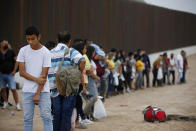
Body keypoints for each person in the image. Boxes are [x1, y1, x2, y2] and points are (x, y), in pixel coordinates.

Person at [17, 26, 53, 131]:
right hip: (27, 90)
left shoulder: (46, 52)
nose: (30, 41)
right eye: (28, 39)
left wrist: (38, 93)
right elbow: (22, 72)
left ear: (39, 37)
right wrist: (36, 79)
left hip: (43, 91)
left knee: (47, 118)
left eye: (33, 38)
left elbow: (44, 75)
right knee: (27, 119)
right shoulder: (23, 51)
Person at [48, 31, 85, 131]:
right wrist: (79, 72)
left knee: (57, 113)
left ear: (57, 40)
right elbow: (82, 61)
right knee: (66, 113)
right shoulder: (71, 51)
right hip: (69, 87)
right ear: (69, 41)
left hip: (54, 87)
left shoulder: (50, 52)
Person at [0, 40, 21, 110]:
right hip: (1, 75)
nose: (6, 44)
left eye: (7, 43)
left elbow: (17, 61)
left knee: (13, 89)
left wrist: (14, 71)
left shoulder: (11, 52)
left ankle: (17, 104)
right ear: (1, 44)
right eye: (4, 43)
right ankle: (5, 103)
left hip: (10, 74)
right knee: (3, 89)